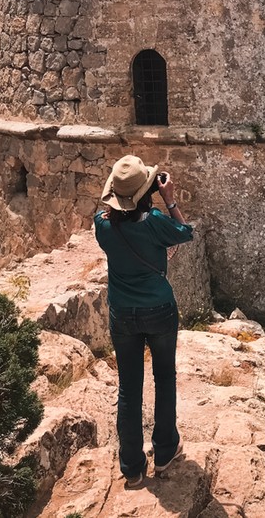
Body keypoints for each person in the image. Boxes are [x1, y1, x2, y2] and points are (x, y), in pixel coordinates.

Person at [94, 154, 194, 487]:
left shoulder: (102, 225)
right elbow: (184, 232)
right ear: (146, 190)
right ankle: (164, 453)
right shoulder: (154, 223)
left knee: (128, 388)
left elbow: (112, 214)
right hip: (159, 310)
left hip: (122, 313)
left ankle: (133, 468)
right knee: (165, 378)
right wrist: (170, 199)